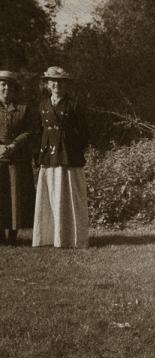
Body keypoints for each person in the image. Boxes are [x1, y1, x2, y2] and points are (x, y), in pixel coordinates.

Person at [32, 66, 89, 248]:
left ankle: (71, 237)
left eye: (60, 82)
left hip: (69, 156)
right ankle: (48, 237)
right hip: (49, 155)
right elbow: (38, 132)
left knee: (69, 195)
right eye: (53, 81)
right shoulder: (42, 105)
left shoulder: (74, 105)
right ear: (48, 84)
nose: (57, 85)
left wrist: (72, 146)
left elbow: (85, 132)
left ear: (66, 85)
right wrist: (39, 153)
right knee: (50, 195)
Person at [0, 70, 37, 245]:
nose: (6, 88)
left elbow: (30, 132)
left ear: (15, 89)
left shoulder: (24, 109)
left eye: (9, 85)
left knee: (15, 197)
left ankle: (13, 235)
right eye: (2, 84)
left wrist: (14, 145)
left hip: (17, 159)